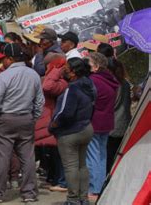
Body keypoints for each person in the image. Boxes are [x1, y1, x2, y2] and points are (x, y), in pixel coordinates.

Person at [0, 43, 45, 203]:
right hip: (26, 118)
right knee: (27, 158)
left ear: (10, 59)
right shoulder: (34, 75)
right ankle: (29, 193)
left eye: (4, 59)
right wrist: (33, 117)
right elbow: (39, 101)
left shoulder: (4, 76)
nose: (2, 62)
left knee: (1, 157)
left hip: (4, 118)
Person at [49, 58, 95, 205]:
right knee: (82, 166)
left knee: (71, 167)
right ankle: (83, 198)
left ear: (74, 72)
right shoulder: (90, 85)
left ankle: (73, 199)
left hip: (70, 131)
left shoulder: (72, 88)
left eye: (67, 68)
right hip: (86, 127)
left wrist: (53, 125)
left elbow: (65, 113)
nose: (64, 71)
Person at [86, 52, 119, 200]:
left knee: (93, 155)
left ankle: (94, 188)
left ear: (96, 66)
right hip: (106, 122)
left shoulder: (93, 81)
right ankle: (99, 186)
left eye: (88, 64)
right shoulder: (110, 80)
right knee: (101, 155)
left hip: (94, 122)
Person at [35, 53, 68, 192]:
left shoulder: (61, 82)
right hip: (46, 120)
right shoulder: (49, 79)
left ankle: (60, 181)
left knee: (59, 153)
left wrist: (56, 69)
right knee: (52, 153)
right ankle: (54, 178)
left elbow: (47, 87)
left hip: (55, 121)